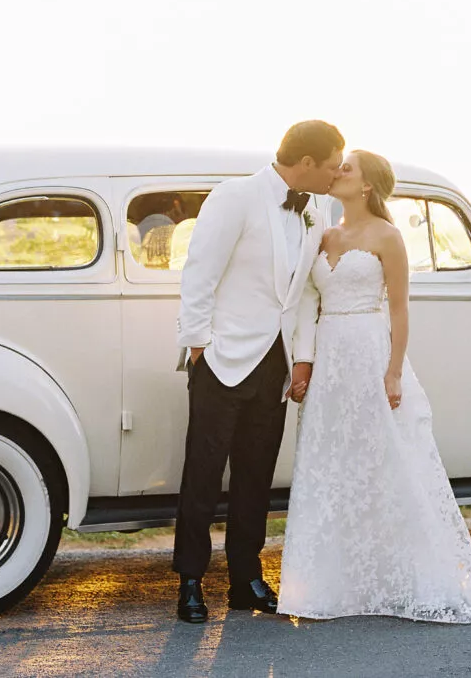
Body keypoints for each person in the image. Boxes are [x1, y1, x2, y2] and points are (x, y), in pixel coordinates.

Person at [276, 150, 471, 624]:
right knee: (333, 460)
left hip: (369, 348)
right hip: (331, 355)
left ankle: (407, 573)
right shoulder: (323, 234)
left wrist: (394, 370)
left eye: (347, 168)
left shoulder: (388, 237)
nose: (337, 171)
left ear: (366, 186)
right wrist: (305, 361)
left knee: (385, 460)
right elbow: (306, 301)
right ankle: (332, 583)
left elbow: (400, 309)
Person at [172, 120, 344, 623]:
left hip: (276, 364)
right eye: (332, 166)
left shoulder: (318, 208)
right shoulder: (235, 196)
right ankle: (189, 582)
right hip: (221, 360)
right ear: (306, 163)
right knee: (202, 476)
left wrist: (303, 358)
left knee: (255, 479)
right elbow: (199, 271)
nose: (336, 175)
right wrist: (198, 345)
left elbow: (309, 292)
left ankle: (246, 579)